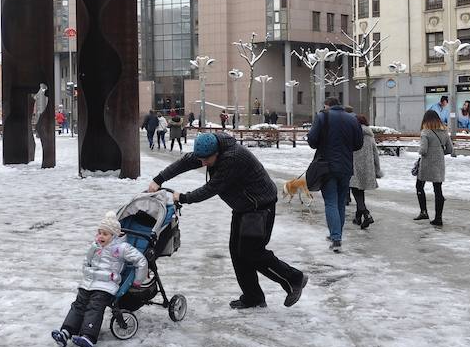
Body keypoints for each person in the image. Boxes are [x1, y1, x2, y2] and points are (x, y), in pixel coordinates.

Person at [147, 132, 308, 309]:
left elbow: (212, 188)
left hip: (260, 206)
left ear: (217, 152)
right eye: (200, 160)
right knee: (237, 252)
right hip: (243, 207)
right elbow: (185, 161)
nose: (203, 164)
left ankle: (294, 279)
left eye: (206, 160)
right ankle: (253, 297)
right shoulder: (209, 149)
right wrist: (158, 179)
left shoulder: (232, 158)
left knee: (251, 252)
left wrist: (183, 197)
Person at [51, 211, 147, 347]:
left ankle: (88, 336)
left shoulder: (121, 248)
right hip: (88, 283)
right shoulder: (95, 246)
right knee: (78, 305)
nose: (100, 236)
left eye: (105, 234)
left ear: (114, 235)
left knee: (94, 307)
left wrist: (138, 280)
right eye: (99, 232)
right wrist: (86, 271)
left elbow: (141, 260)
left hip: (106, 285)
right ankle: (66, 332)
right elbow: (87, 260)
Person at [307, 97, 364, 253]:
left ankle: (336, 237)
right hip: (346, 166)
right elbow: (358, 144)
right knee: (340, 202)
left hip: (327, 166)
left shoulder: (322, 117)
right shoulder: (353, 119)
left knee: (330, 202)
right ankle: (336, 234)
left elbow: (312, 141)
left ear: (327, 105)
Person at [414, 109, 453, 226]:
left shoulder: (426, 132)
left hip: (426, 164)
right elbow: (450, 149)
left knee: (419, 186)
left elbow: (423, 150)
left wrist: (419, 151)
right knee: (438, 190)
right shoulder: (444, 132)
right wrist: (439, 154)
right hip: (439, 164)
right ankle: (438, 218)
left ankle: (424, 211)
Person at [349, 114, 382, 229]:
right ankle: (358, 218)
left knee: (355, 190)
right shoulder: (370, 135)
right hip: (367, 168)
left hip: (354, 167)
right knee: (360, 191)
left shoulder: (352, 134)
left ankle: (366, 214)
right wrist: (377, 170)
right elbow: (375, 154)